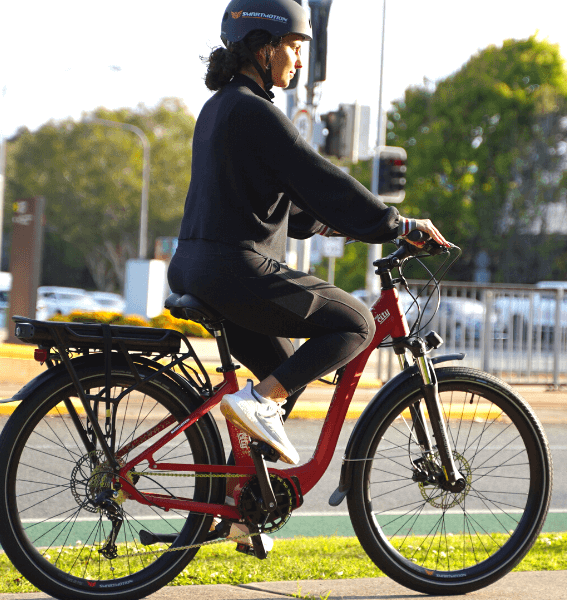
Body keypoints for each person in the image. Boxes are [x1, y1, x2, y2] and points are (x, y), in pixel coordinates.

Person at [168, 0, 449, 468]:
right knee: (356, 324)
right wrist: (396, 224)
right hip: (236, 269)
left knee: (286, 377)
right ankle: (257, 404)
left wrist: (338, 224)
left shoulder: (219, 108)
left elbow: (283, 202)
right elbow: (319, 177)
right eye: (295, 47)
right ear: (264, 47)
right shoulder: (256, 112)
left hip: (199, 268)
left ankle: (242, 505)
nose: (299, 60)